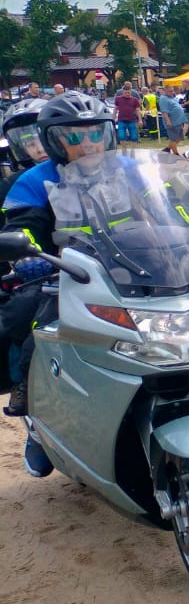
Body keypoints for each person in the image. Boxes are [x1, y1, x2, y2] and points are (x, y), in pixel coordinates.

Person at [2, 94, 121, 451]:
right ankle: (33, 402)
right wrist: (27, 254)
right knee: (29, 320)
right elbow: (22, 225)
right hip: (64, 273)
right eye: (74, 136)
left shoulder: (127, 170)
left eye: (95, 134)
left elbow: (174, 209)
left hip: (129, 269)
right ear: (54, 140)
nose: (88, 144)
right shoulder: (34, 180)